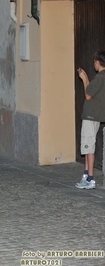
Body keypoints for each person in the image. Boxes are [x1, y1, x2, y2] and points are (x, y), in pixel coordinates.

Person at [75, 50, 105, 190]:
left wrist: (83, 78)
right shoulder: (101, 77)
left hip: (91, 116)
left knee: (89, 147)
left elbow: (88, 95)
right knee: (87, 146)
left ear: (97, 62)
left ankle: (90, 179)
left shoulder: (100, 77)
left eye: (94, 62)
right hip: (93, 115)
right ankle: (86, 176)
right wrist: (86, 76)